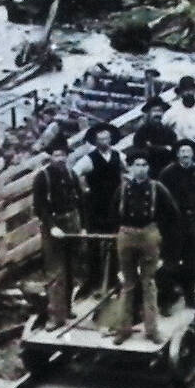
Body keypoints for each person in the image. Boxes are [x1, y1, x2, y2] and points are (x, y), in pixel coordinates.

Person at [109, 148, 180, 343]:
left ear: (148, 168)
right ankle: (123, 329)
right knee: (128, 284)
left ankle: (152, 330)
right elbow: (113, 214)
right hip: (126, 235)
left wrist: (160, 235)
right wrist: (120, 233)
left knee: (149, 283)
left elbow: (172, 213)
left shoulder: (157, 188)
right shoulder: (122, 189)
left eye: (144, 165)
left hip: (149, 235)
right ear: (130, 168)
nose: (140, 168)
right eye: (137, 165)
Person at [31, 141, 84, 327]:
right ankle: (55, 316)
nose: (60, 159)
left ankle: (67, 308)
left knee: (71, 269)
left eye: (63, 155)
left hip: (72, 223)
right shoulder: (42, 177)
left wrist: (83, 226)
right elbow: (39, 206)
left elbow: (80, 200)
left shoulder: (71, 174)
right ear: (51, 157)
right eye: (56, 155)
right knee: (55, 271)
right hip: (53, 224)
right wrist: (52, 226)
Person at [157, 140, 195, 308]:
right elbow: (160, 202)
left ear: (193, 154)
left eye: (188, 152)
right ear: (177, 154)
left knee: (192, 263)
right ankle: (165, 301)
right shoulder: (167, 173)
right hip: (174, 224)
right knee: (170, 264)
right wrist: (163, 226)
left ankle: (190, 298)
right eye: (182, 152)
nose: (186, 155)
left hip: (194, 221)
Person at [74, 123, 124, 295]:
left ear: (111, 139)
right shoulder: (89, 159)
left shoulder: (118, 155)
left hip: (115, 204)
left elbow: (128, 170)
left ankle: (112, 277)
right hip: (96, 205)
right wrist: (84, 189)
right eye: (101, 139)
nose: (104, 142)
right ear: (95, 141)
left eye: (107, 138)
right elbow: (74, 173)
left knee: (115, 240)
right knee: (94, 242)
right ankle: (94, 278)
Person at [131, 97, 179, 175]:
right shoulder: (141, 132)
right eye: (154, 111)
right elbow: (139, 152)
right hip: (148, 171)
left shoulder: (169, 132)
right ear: (149, 112)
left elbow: (173, 152)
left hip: (166, 170)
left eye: (160, 111)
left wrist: (152, 147)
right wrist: (163, 148)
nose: (157, 114)